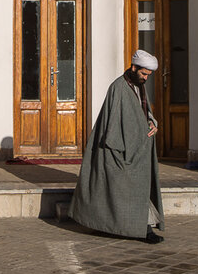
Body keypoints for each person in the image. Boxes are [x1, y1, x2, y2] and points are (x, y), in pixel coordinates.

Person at [69, 49, 165, 244]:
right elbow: (112, 123)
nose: (146, 78)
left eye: (148, 75)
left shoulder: (138, 85)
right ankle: (140, 230)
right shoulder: (119, 88)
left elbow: (143, 112)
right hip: (120, 150)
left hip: (137, 151)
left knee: (137, 190)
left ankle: (142, 229)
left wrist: (152, 122)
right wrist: (126, 148)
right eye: (144, 73)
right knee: (120, 188)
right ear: (134, 67)